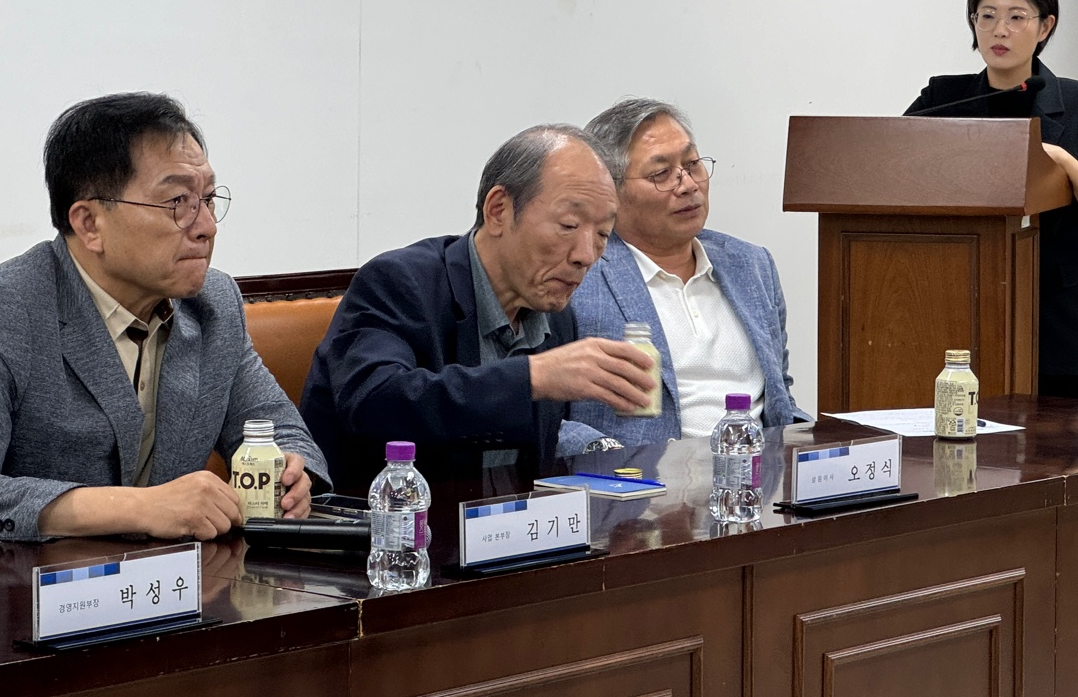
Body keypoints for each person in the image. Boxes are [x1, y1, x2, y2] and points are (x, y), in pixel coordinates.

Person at [0, 93, 329, 542]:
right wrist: (136, 508)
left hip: (182, 579)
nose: (207, 226)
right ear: (89, 224)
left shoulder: (213, 304)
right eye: (177, 201)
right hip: (35, 580)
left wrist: (292, 475)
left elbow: (280, 430)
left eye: (208, 199)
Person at [301, 124, 657, 492]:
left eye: (602, 234)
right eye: (568, 225)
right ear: (498, 209)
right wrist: (531, 377)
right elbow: (374, 403)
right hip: (391, 522)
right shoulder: (400, 281)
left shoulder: (556, 313)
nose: (586, 255)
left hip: (511, 522)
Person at [904, 0, 1078, 397]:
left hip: (1059, 306)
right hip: (964, 294)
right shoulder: (944, 98)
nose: (999, 31)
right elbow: (894, 164)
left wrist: (1062, 159)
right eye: (987, 16)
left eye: (1016, 17)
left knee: (1056, 428)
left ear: (1045, 26)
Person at [564, 98, 810, 450]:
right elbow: (543, 417)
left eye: (692, 164)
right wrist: (599, 452)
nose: (688, 184)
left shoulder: (752, 264)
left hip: (752, 473)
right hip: (636, 477)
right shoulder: (579, 275)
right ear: (610, 191)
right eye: (661, 174)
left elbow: (779, 398)